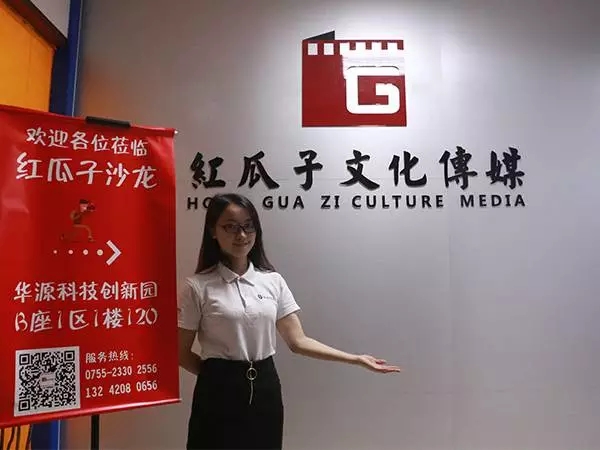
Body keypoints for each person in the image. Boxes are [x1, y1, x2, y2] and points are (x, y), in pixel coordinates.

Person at [177, 193, 401, 450]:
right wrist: (219, 376)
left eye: (249, 226)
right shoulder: (198, 287)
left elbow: (298, 341)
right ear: (213, 231)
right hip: (217, 390)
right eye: (231, 226)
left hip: (265, 386)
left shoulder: (272, 281)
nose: (242, 235)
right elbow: (180, 352)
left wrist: (356, 359)